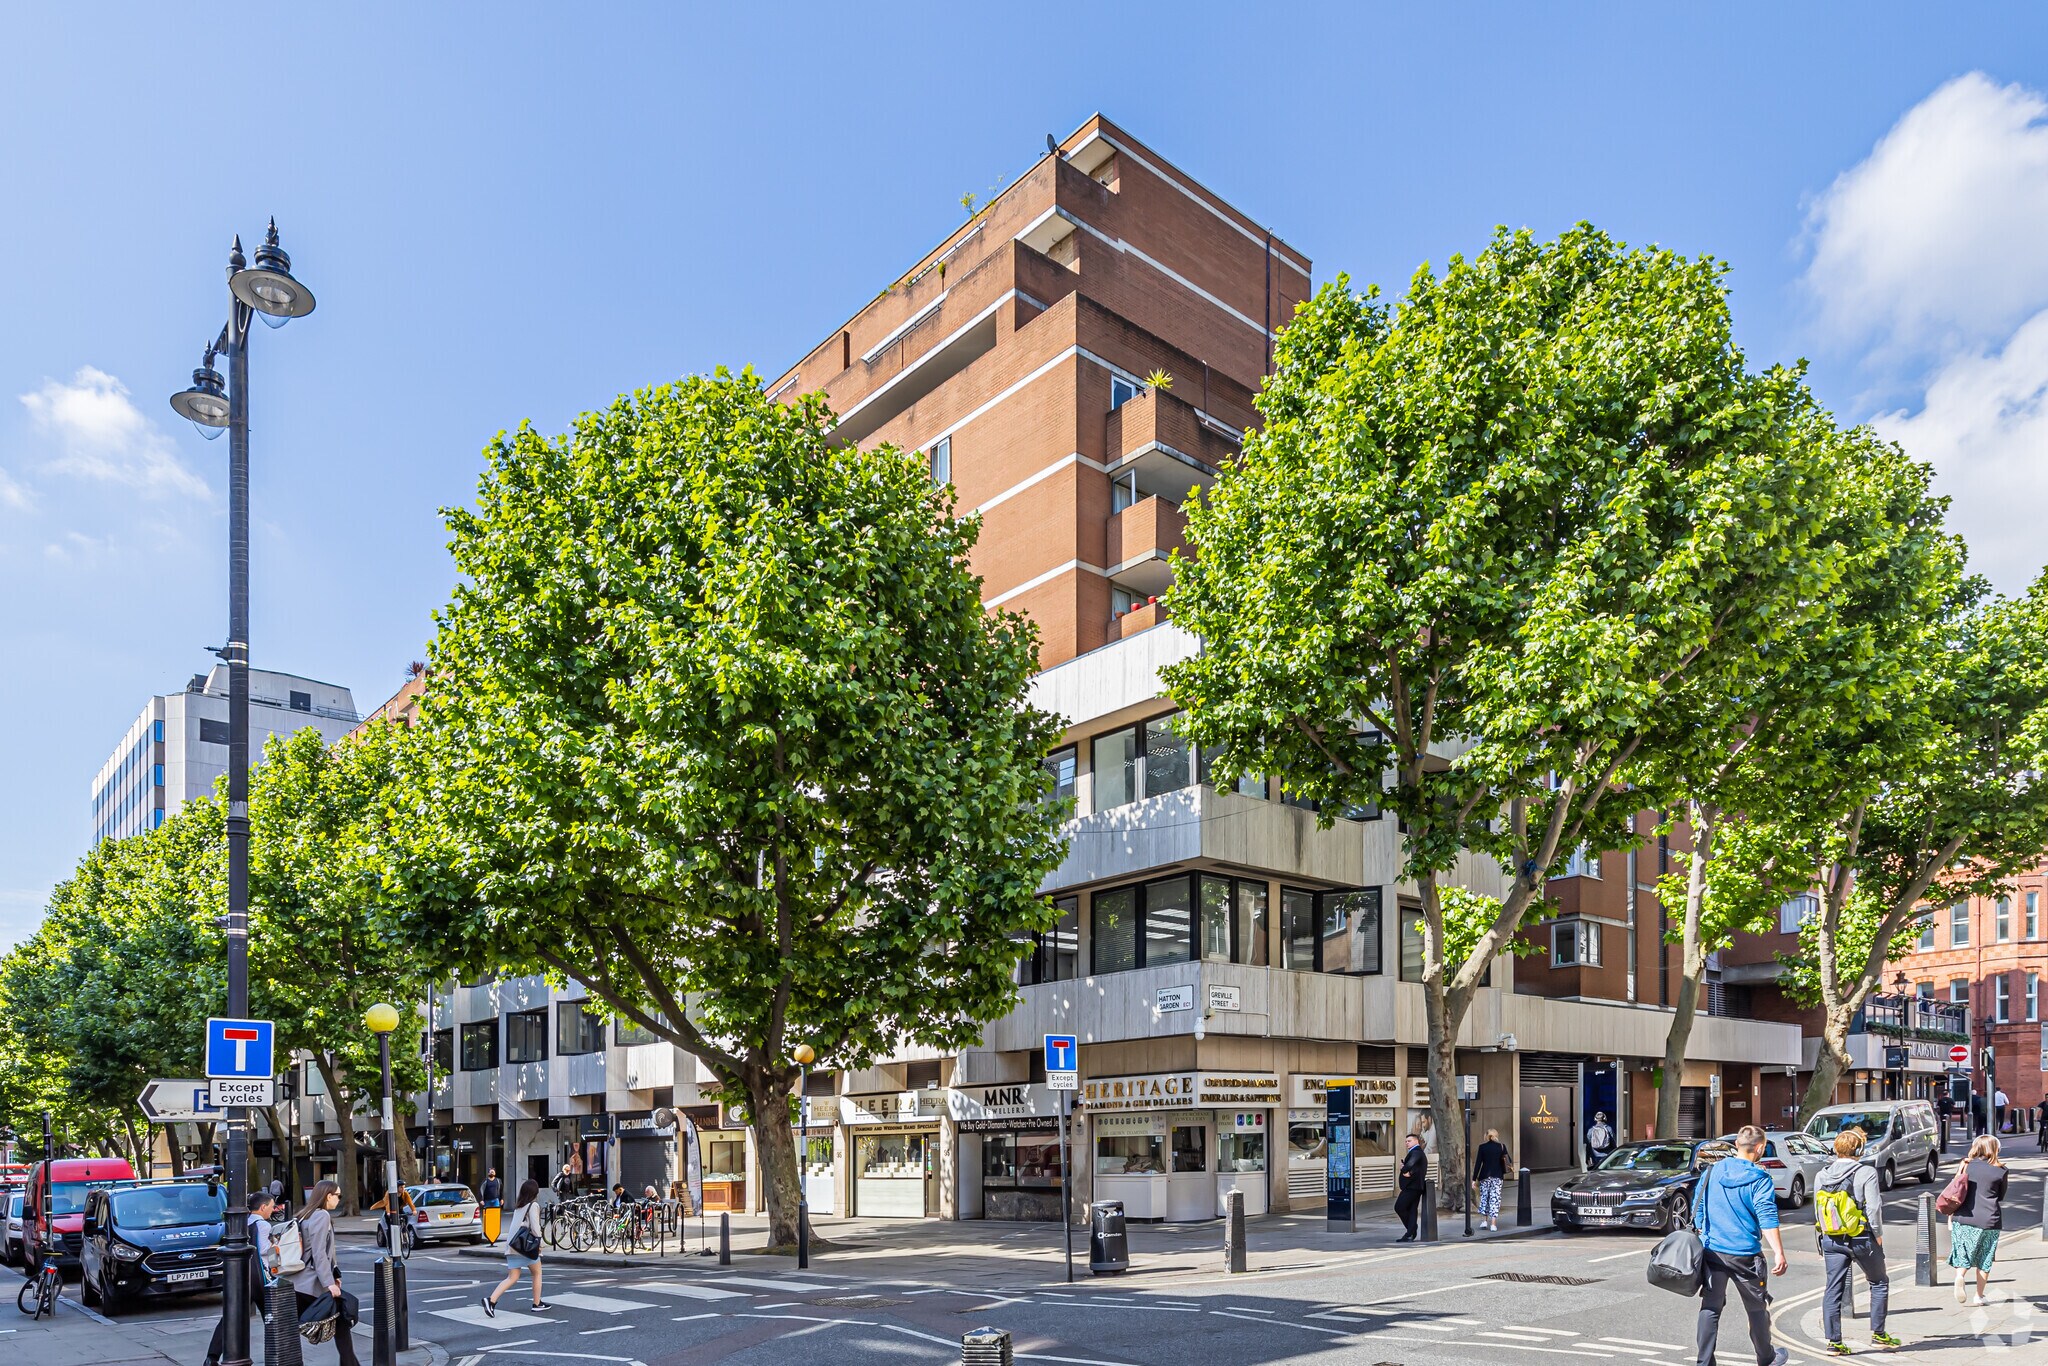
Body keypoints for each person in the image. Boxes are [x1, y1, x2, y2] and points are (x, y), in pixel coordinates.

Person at [1694, 1125, 1789, 1366]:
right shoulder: (1760, 1178)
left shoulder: (1712, 1171)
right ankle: (1766, 1358)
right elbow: (1767, 1217)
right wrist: (1779, 1252)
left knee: (1711, 1307)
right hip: (1745, 1255)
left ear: (1737, 1144)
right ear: (1759, 1148)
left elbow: (1699, 1209)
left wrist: (1707, 1234)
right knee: (1756, 1309)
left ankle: (1704, 1362)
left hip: (1713, 1251)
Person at [1815, 1128, 1899, 1353]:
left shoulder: (1821, 1175)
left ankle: (1834, 1343)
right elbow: (1873, 1207)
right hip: (1861, 1237)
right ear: (1859, 1149)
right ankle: (1879, 1335)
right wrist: (1878, 1234)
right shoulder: (1866, 1172)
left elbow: (1817, 1208)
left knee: (1833, 1289)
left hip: (1831, 1239)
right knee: (1879, 1282)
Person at [203, 1190, 282, 1366]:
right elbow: (264, 1250)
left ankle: (212, 1357)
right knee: (273, 1317)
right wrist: (277, 1246)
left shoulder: (241, 1222)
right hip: (259, 1278)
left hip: (240, 1277)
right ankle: (279, 1355)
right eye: (270, 1207)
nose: (272, 1210)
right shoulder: (263, 1225)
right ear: (262, 1207)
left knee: (230, 1318)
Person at [291, 1181, 361, 1366]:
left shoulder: (303, 1215)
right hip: (311, 1283)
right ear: (328, 1195)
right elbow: (319, 1252)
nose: (339, 1199)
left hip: (297, 1282)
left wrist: (335, 1273)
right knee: (343, 1323)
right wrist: (328, 1283)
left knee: (291, 1328)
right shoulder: (321, 1215)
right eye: (338, 1195)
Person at [1947, 1134, 2009, 1307]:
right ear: (1995, 1149)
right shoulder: (2001, 1170)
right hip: (1990, 1219)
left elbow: (1956, 1189)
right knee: (1985, 1257)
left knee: (1964, 1253)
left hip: (1963, 1217)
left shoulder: (1966, 1166)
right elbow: (2001, 1196)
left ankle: (1960, 1276)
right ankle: (1979, 1296)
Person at [483, 1178, 549, 1317]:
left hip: (513, 1246)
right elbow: (536, 1229)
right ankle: (536, 1304)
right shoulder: (533, 1206)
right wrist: (540, 1244)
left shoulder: (519, 1206)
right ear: (534, 1192)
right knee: (537, 1273)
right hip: (526, 1247)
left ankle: (491, 1300)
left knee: (512, 1277)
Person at [1471, 1128, 1509, 1232]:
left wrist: (1474, 1179)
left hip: (1484, 1177)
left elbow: (1478, 1163)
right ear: (1496, 1135)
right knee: (1495, 1199)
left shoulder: (1482, 1147)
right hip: (1497, 1176)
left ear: (1486, 1136)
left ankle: (1484, 1221)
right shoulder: (1501, 1147)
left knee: (1484, 1198)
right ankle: (1493, 1224)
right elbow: (1507, 1161)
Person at [1394, 1134, 1427, 1241]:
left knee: (1399, 1207)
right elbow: (1417, 1168)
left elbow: (1411, 1164)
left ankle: (1412, 1229)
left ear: (1416, 1141)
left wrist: (1404, 1169)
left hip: (1412, 1187)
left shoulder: (1416, 1151)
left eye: (1409, 1141)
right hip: (1415, 1186)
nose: (1407, 1143)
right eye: (1406, 1141)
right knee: (1412, 1209)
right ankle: (1410, 1233)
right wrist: (1410, 1171)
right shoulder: (1416, 1152)